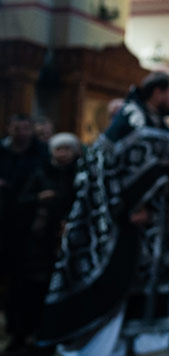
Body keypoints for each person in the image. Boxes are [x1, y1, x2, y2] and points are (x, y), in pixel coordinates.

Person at [39, 72, 169, 356]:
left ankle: (141, 346)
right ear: (158, 93)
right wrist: (127, 207)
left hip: (150, 233)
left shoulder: (149, 120)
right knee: (115, 294)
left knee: (143, 294)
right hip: (121, 228)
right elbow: (109, 166)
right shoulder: (134, 119)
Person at [12, 132, 82, 351]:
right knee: (31, 290)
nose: (63, 153)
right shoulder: (40, 171)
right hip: (38, 243)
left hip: (68, 241)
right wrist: (38, 199)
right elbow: (20, 201)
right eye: (59, 149)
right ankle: (25, 333)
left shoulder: (80, 175)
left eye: (67, 149)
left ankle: (55, 332)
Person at [0, 113, 50, 352]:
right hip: (4, 222)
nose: (20, 133)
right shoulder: (3, 151)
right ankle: (12, 328)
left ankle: (26, 330)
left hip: (31, 227)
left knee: (26, 281)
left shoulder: (42, 153)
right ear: (10, 129)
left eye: (25, 129)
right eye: (16, 128)